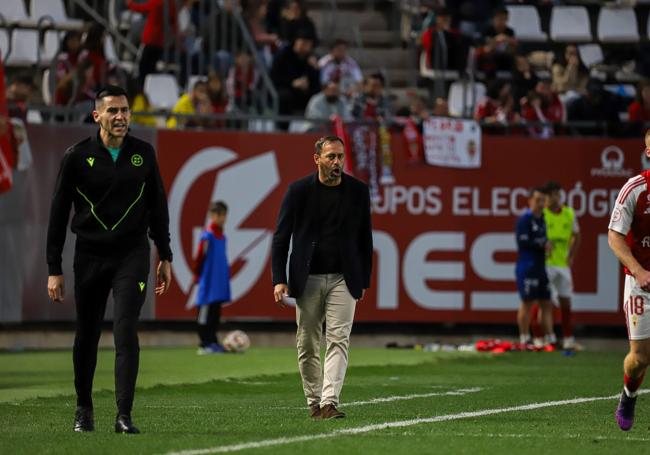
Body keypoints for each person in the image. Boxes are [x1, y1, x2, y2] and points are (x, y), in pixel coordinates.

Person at [46, 85, 173, 434]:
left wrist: (165, 254)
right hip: (89, 255)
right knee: (86, 334)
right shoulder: (76, 156)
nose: (120, 117)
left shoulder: (144, 154)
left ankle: (123, 415)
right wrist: (53, 268)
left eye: (125, 111)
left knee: (126, 332)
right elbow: (58, 214)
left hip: (132, 255)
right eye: (113, 111)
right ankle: (83, 408)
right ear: (96, 115)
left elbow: (158, 207)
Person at [271, 135, 373, 419]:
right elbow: (280, 238)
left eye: (340, 157)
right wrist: (279, 279)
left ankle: (329, 401)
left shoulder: (358, 192)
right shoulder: (298, 191)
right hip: (308, 278)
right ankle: (314, 402)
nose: (337, 162)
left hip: (344, 277)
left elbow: (366, 239)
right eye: (331, 157)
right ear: (317, 159)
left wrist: (363, 279)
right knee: (307, 344)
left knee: (339, 339)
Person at [608, 129, 650, 431]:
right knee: (640, 357)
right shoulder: (635, 188)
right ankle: (628, 395)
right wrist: (638, 270)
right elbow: (614, 236)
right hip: (642, 283)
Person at [543, 181, 581, 350]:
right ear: (547, 197)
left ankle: (568, 337)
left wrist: (571, 255)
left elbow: (577, 235)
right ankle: (544, 337)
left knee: (566, 301)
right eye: (552, 195)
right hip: (546, 264)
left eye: (558, 195)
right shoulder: (542, 214)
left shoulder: (569, 213)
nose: (556, 199)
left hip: (563, 264)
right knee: (545, 303)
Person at [515, 186, 554, 349]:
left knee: (546, 302)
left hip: (541, 266)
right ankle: (524, 337)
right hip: (527, 266)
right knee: (527, 302)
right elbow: (522, 241)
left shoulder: (544, 219)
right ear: (530, 200)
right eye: (537, 200)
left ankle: (549, 337)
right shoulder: (524, 219)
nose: (540, 203)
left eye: (542, 200)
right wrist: (542, 244)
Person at [192, 201, 230, 354]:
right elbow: (199, 257)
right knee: (205, 313)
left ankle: (213, 341)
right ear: (213, 216)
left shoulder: (223, 236)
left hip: (219, 283)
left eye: (224, 215)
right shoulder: (207, 237)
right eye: (221, 215)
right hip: (208, 283)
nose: (223, 218)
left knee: (215, 314)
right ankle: (204, 343)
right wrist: (197, 276)